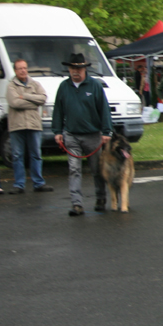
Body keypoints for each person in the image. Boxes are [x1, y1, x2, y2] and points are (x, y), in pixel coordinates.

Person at [52, 53, 113, 216]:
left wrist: (106, 131)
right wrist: (57, 131)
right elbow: (58, 110)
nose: (75, 71)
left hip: (92, 134)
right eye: (72, 68)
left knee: (97, 169)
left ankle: (100, 197)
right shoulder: (64, 87)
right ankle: (76, 203)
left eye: (78, 68)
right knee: (74, 169)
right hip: (71, 134)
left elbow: (104, 109)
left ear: (84, 68)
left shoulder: (95, 86)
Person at [7, 59, 52, 194]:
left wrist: (25, 96)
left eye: (25, 68)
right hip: (17, 125)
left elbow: (43, 99)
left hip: (33, 124)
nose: (23, 70)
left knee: (36, 154)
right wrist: (34, 102)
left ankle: (38, 183)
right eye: (20, 68)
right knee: (17, 155)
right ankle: (19, 184)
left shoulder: (35, 84)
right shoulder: (11, 86)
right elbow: (15, 103)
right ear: (15, 70)